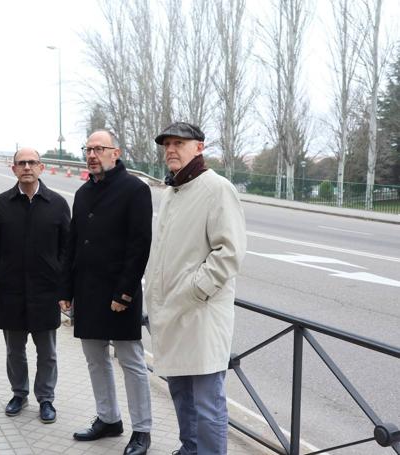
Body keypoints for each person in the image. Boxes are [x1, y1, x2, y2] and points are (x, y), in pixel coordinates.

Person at [144, 122, 247, 455]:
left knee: (207, 403)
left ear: (199, 147)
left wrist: (193, 290)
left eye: (179, 143)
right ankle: (189, 450)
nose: (171, 149)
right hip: (173, 313)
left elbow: (229, 252)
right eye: (167, 144)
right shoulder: (172, 190)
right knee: (181, 395)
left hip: (200, 315)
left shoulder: (217, 188)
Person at [59, 130, 153, 455]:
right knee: (95, 360)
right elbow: (73, 243)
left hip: (119, 294)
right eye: (87, 149)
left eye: (99, 149)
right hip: (86, 291)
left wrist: (125, 292)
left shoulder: (135, 190)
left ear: (116, 152)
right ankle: (108, 418)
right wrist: (66, 289)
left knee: (131, 361)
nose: (91, 154)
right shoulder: (83, 193)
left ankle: (142, 430)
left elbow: (139, 246)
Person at [0, 147, 70, 423]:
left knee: (47, 352)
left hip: (45, 291)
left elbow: (67, 248)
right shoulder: (1, 203)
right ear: (14, 169)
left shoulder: (56, 204)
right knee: (14, 350)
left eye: (32, 162)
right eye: (22, 163)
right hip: (11, 291)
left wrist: (62, 283)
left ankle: (46, 399)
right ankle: (19, 394)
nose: (27, 167)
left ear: (41, 168)